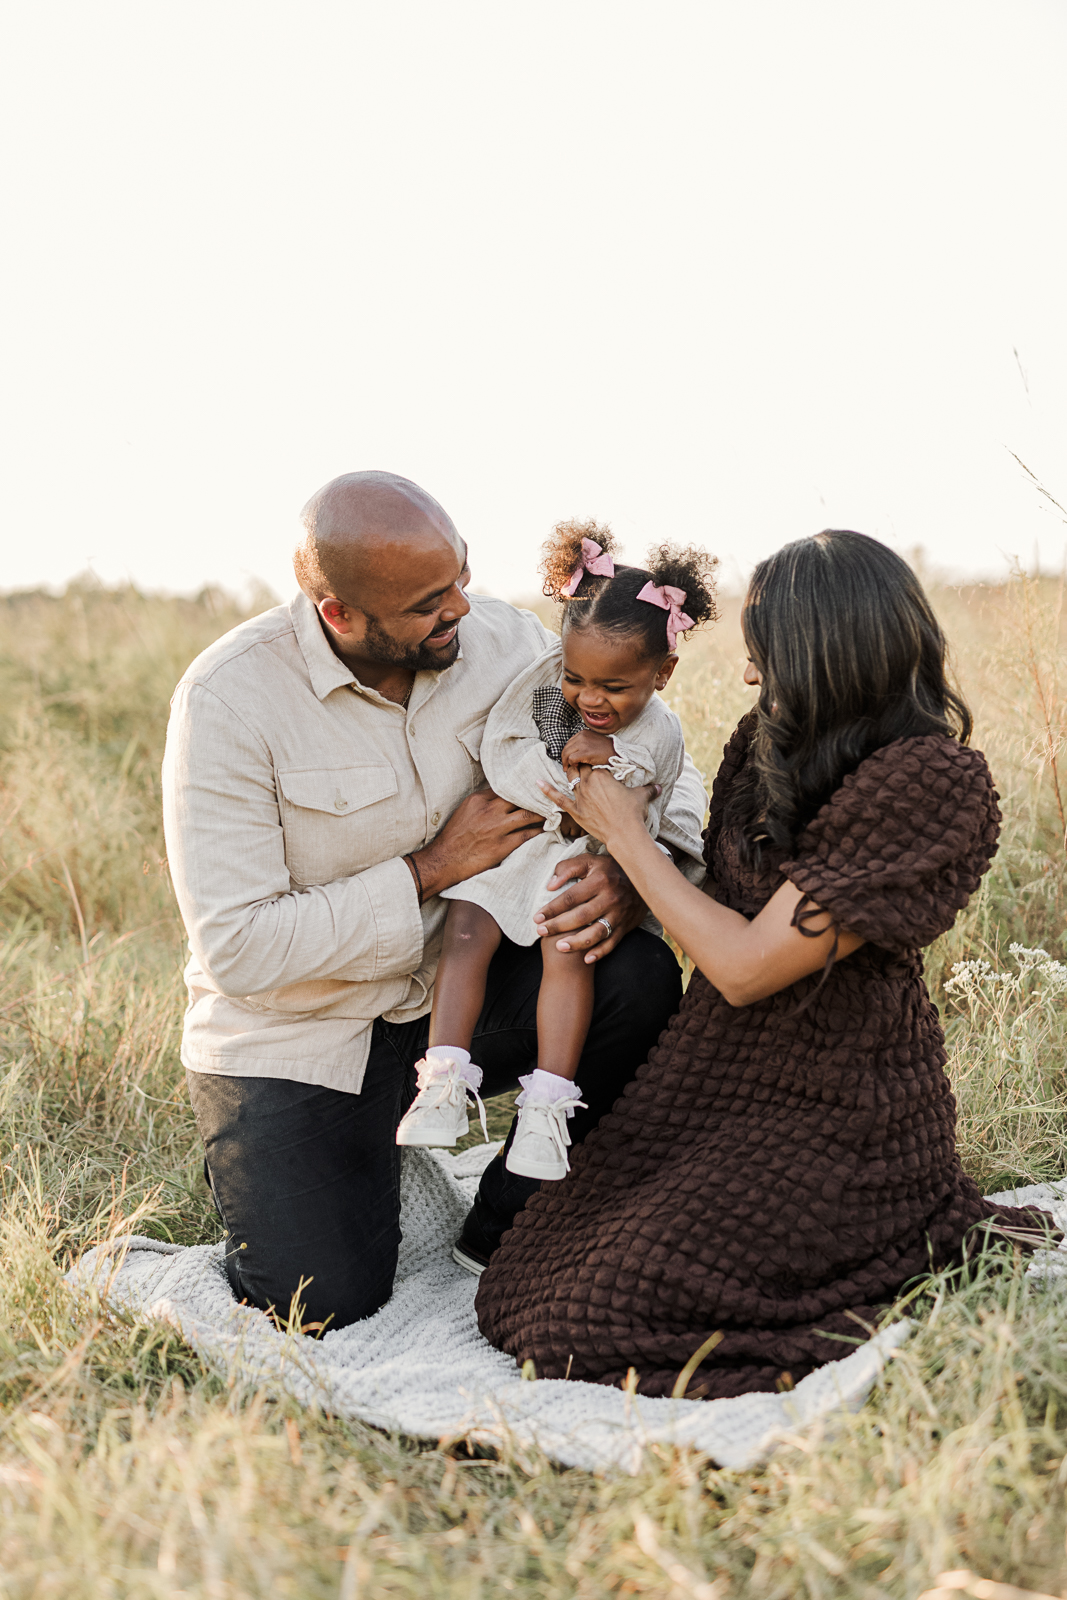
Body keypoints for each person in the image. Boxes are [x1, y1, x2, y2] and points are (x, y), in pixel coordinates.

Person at [475, 529, 1051, 1399]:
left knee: (584, 1323)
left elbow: (745, 965)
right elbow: (704, 887)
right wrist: (619, 875)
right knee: (525, 1280)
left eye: (764, 656)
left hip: (839, 1103)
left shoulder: (931, 780)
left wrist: (628, 841)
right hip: (716, 1070)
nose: (749, 677)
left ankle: (896, 1238)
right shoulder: (768, 738)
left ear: (830, 652)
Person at [161, 471, 709, 1331]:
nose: (460, 607)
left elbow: (659, 758)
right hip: (303, 1036)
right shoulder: (229, 698)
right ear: (338, 613)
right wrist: (428, 869)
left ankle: (508, 1217)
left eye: (459, 575)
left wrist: (637, 867)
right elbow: (237, 949)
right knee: (319, 1306)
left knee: (631, 973)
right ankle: (285, 1165)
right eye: (428, 602)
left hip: (460, 1002)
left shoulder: (504, 641)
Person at [395, 522, 718, 1181]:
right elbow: (512, 747)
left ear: (663, 672)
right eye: (578, 679)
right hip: (512, 847)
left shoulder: (656, 729)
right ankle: (444, 1079)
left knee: (565, 950)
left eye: (614, 688)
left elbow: (650, 792)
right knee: (465, 927)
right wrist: (561, 789)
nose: (590, 699)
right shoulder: (546, 688)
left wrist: (611, 767)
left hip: (576, 861)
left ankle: (546, 1107)